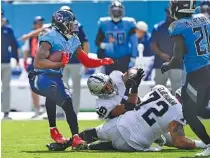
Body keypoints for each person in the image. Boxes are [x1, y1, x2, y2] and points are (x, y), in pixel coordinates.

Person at [29, 10, 113, 149]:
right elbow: (38, 62)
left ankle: (75, 138)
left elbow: (85, 60)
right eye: (69, 23)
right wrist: (59, 64)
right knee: (53, 89)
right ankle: (53, 129)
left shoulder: (73, 39)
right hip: (40, 76)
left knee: (68, 102)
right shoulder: (50, 36)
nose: (73, 26)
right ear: (60, 24)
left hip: (55, 76)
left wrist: (101, 61)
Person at [46, 85, 207, 151]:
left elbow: (143, 108)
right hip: (133, 141)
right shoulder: (182, 111)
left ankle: (67, 142)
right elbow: (178, 140)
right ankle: (90, 148)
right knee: (118, 144)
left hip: (118, 124)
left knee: (95, 131)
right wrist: (201, 143)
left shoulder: (160, 89)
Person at [161, 0, 210, 156]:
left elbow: (177, 58)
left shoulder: (178, 26)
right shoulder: (203, 18)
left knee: (188, 112)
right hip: (208, 67)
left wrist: (167, 65)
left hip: (197, 73)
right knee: (201, 110)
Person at [58, 6, 89, 116]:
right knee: (61, 87)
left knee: (75, 88)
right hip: (62, 62)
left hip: (75, 61)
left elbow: (85, 43)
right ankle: (61, 111)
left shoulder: (77, 26)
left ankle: (74, 111)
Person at [95, 0, 138, 75]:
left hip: (124, 58)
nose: (116, 13)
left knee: (124, 82)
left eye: (118, 11)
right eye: (114, 11)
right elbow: (97, 42)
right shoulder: (104, 23)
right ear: (110, 12)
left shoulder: (129, 23)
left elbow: (134, 43)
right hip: (109, 58)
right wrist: (104, 45)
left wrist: (133, 57)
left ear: (122, 12)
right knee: (109, 83)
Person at [150, 8, 183, 94]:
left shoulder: (181, 27)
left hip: (177, 64)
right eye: (168, 13)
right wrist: (161, 54)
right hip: (160, 63)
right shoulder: (158, 27)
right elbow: (153, 45)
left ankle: (178, 107)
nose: (170, 16)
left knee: (177, 89)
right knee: (159, 89)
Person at [23, 16, 45, 118]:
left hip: (45, 61)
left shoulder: (46, 33)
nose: (40, 24)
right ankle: (37, 108)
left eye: (41, 22)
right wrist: (25, 62)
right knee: (33, 86)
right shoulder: (31, 36)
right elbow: (26, 50)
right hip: (33, 61)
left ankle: (48, 108)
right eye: (38, 23)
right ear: (34, 24)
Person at [1, 9, 19, 119]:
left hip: (6, 62)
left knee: (6, 87)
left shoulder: (8, 30)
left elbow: (14, 45)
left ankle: (6, 112)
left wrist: (16, 58)